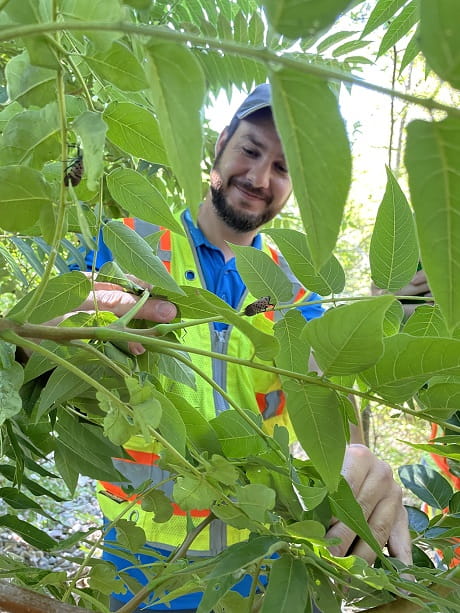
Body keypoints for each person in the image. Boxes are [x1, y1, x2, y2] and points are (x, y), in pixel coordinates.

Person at [70, 84, 411, 611]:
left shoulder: (297, 293)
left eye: (282, 167)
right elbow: (41, 332)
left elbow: (330, 403)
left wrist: (358, 464)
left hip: (256, 567)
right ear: (221, 143)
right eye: (251, 150)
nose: (258, 178)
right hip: (134, 559)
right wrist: (53, 327)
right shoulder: (125, 241)